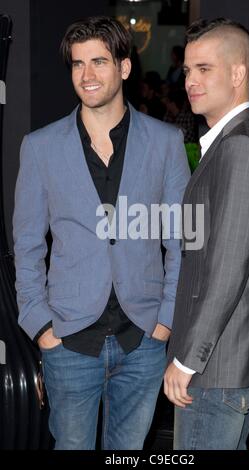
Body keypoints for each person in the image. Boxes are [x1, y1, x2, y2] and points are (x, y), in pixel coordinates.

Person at [13, 16, 190, 450]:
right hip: (69, 341)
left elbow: (182, 241)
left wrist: (166, 322)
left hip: (143, 340)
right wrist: (42, 328)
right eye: (77, 65)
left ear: (124, 68)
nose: (86, 76)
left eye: (98, 62)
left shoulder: (165, 142)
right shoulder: (40, 147)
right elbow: (27, 246)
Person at [164, 18, 249, 450]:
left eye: (204, 69)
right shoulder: (243, 138)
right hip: (229, 363)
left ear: (238, 74)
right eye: (187, 71)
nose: (191, 82)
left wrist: (186, 359)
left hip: (216, 368)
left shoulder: (240, 146)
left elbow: (228, 268)